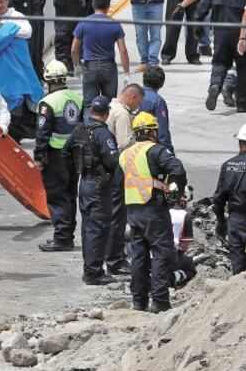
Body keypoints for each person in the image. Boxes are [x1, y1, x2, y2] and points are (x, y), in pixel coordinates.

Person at [120, 111, 186, 312]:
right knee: (161, 255)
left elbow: (118, 183)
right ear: (152, 132)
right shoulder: (156, 151)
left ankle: (138, 301)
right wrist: (176, 193)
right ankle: (159, 301)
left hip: (133, 209)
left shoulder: (125, 154)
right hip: (153, 209)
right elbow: (178, 170)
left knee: (138, 256)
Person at [35, 60, 84, 253]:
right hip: (74, 155)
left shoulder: (47, 103)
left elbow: (42, 132)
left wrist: (39, 156)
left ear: (47, 81)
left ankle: (62, 238)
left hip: (55, 155)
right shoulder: (76, 98)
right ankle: (67, 235)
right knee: (70, 194)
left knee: (57, 196)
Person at [71, 95, 120, 285]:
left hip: (85, 183)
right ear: (107, 113)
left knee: (88, 228)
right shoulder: (103, 134)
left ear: (91, 111)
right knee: (97, 229)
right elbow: (113, 161)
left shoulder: (80, 129)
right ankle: (94, 272)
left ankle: (90, 269)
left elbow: (67, 152)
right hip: (100, 186)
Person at [212, 123, 246, 275]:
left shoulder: (227, 165)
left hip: (235, 222)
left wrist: (221, 222)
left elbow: (218, 199)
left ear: (239, 142)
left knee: (238, 268)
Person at [106, 83, 143, 276]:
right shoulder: (122, 114)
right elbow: (125, 144)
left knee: (112, 215)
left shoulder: (111, 108)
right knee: (118, 216)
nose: (138, 107)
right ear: (132, 96)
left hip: (108, 169)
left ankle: (111, 255)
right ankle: (115, 259)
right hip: (118, 170)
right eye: (138, 102)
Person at [72, 0, 131, 102]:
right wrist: (126, 72)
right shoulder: (115, 24)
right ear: (108, 6)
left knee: (90, 105)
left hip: (90, 67)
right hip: (109, 67)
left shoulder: (83, 23)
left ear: (93, 5)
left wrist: (76, 66)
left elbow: (74, 50)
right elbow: (123, 50)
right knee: (109, 105)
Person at [2, 0, 47, 78]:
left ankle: (38, 75)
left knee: (36, 50)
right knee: (28, 52)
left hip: (33, 17)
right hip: (24, 21)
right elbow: (12, 3)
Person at [139, 65, 173, 153]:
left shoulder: (133, 95)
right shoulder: (158, 101)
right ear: (161, 83)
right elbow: (162, 131)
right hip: (150, 147)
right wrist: (168, 152)